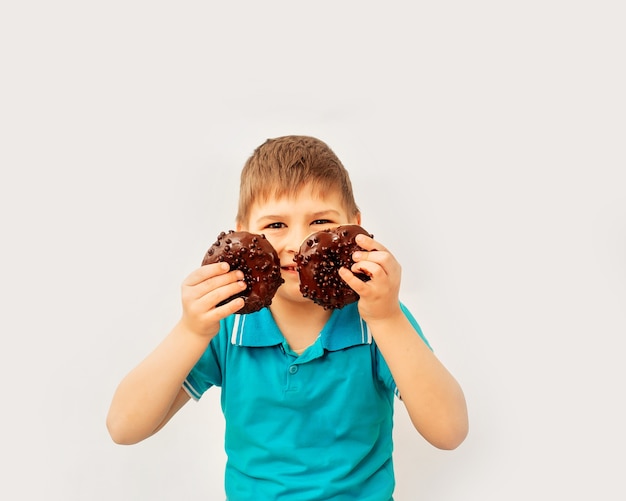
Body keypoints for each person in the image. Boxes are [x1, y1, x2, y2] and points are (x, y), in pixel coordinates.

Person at [106, 135, 468, 500]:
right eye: (275, 225)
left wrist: (388, 319)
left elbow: (449, 431)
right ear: (242, 232)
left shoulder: (376, 317)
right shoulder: (226, 323)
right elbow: (124, 427)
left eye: (321, 221)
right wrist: (190, 329)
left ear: (354, 225)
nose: (298, 243)